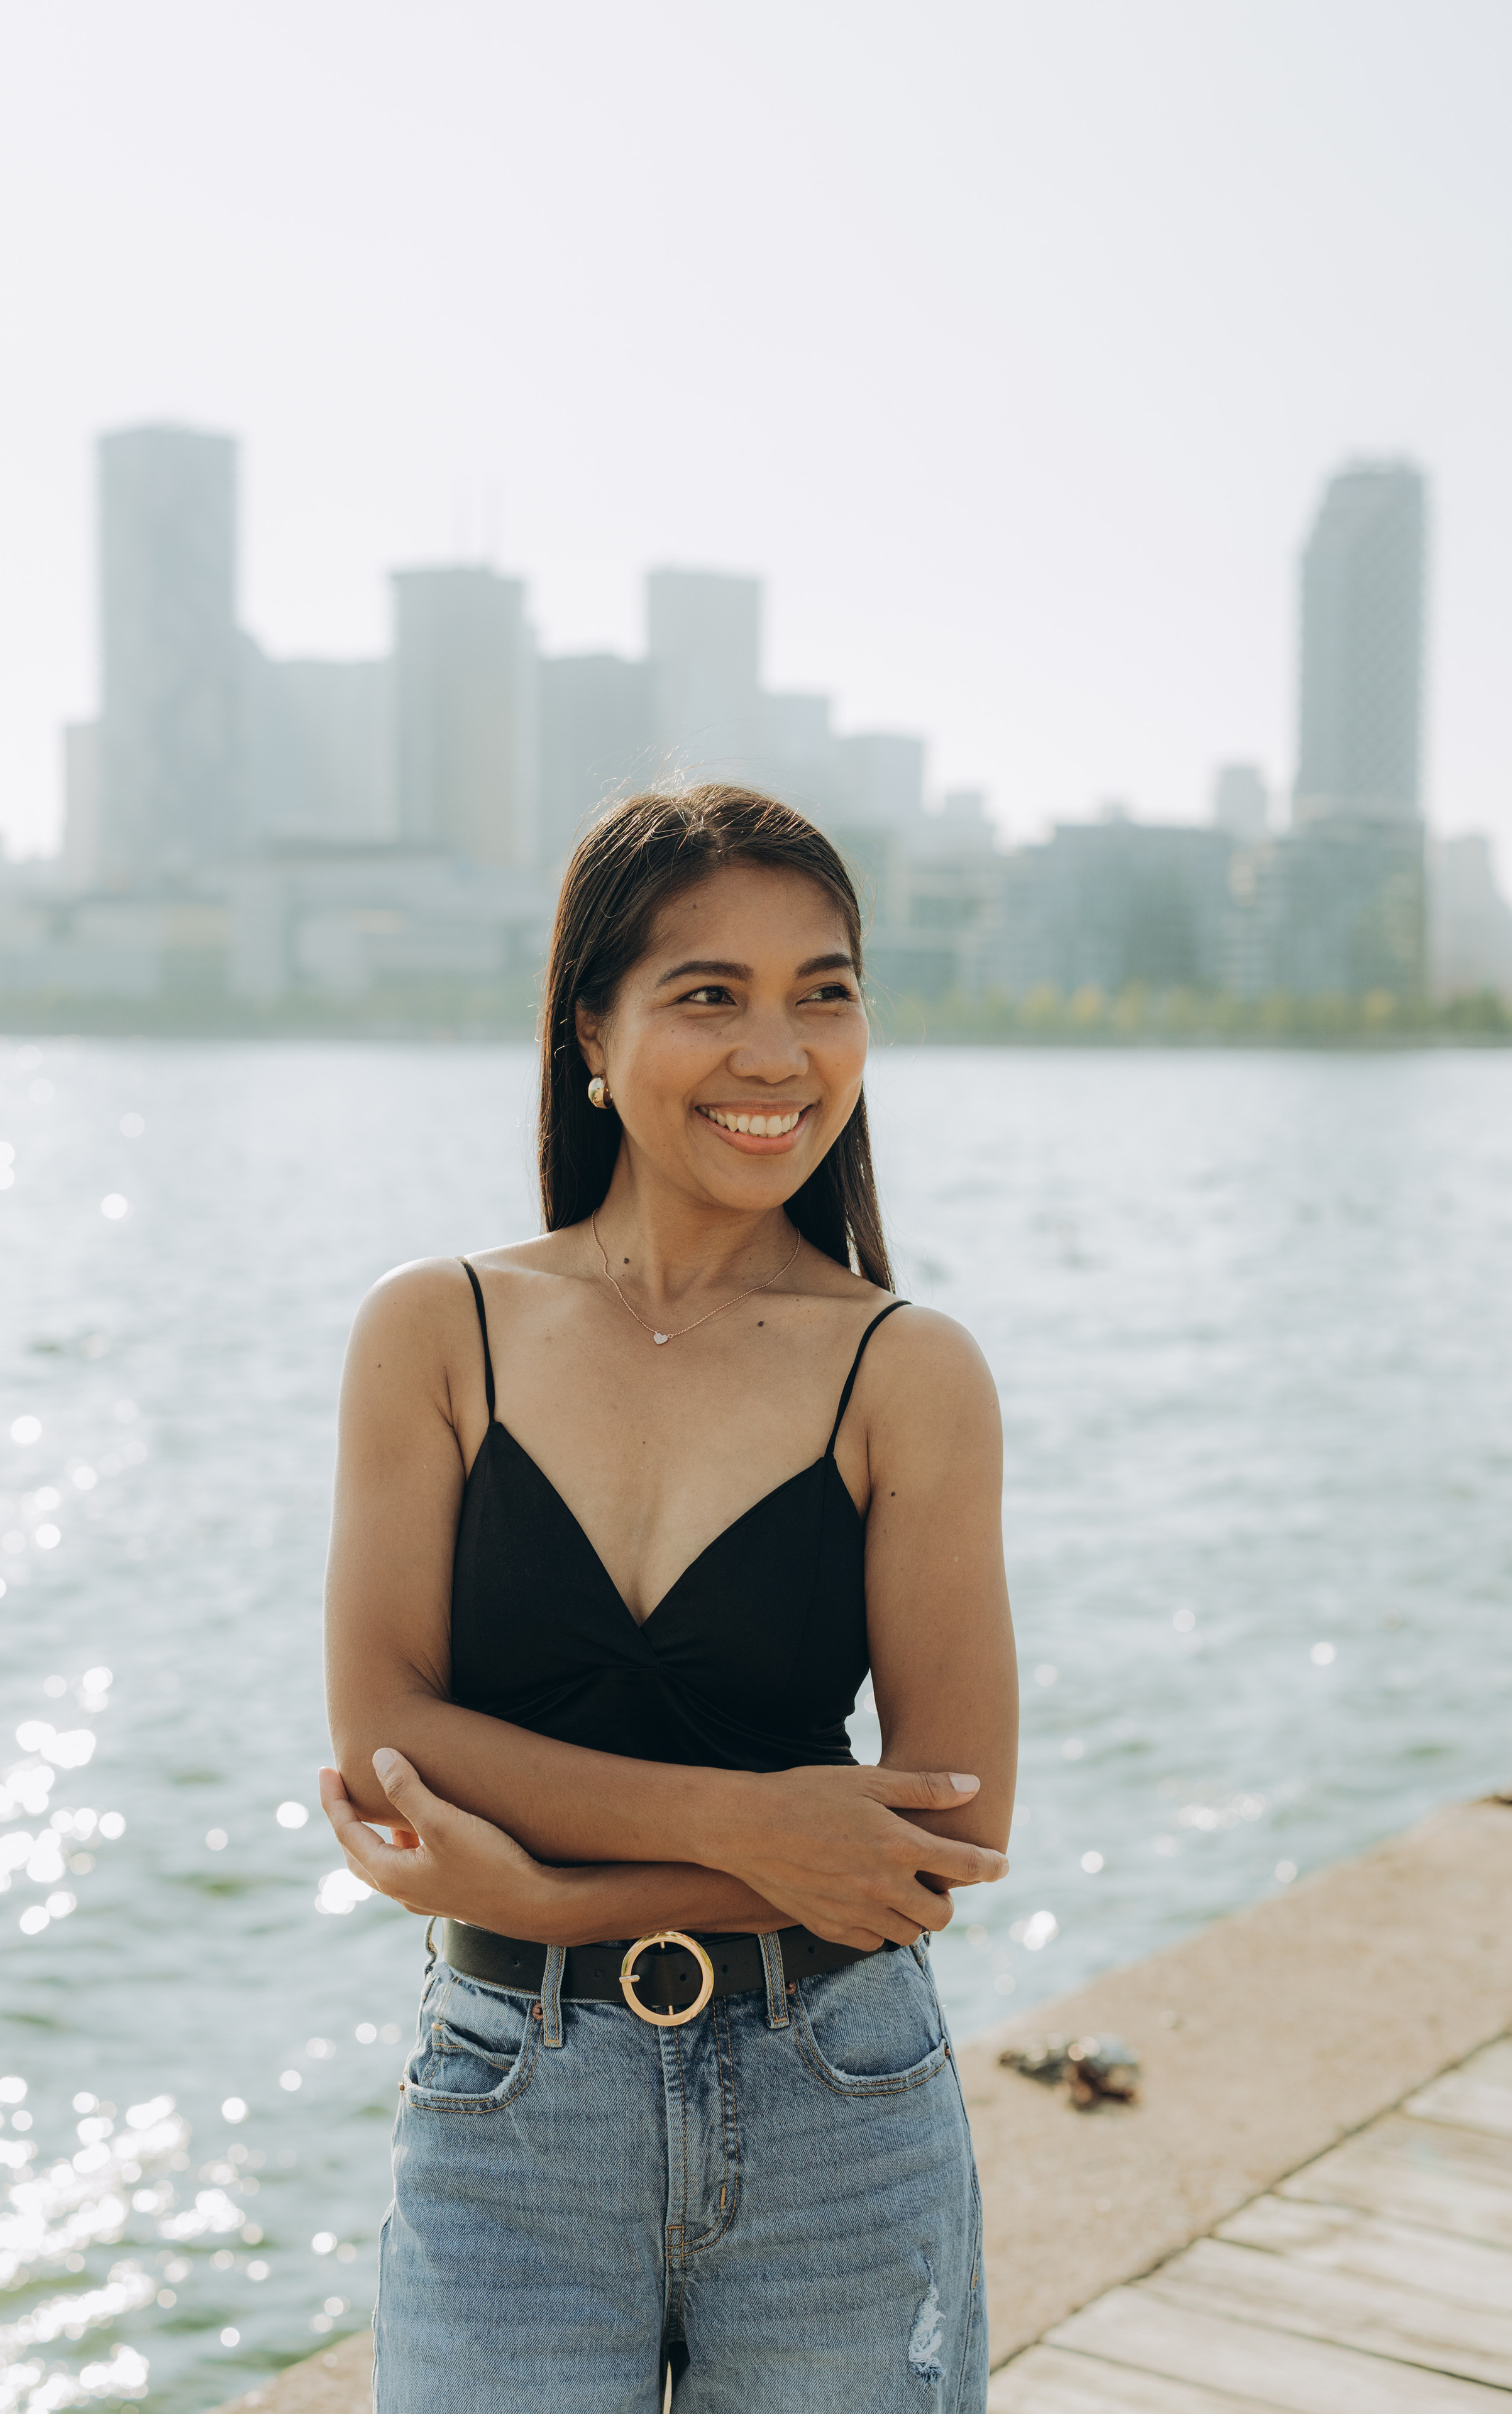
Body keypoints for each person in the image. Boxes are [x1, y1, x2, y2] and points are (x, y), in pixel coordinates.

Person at [319, 786, 1018, 2412]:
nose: (779, 1054)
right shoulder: (437, 1328)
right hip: (507, 2108)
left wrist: (564, 1902)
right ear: (591, 1028)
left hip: (841, 2098)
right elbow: (387, 1730)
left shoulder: (907, 1370)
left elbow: (947, 1839)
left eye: (823, 993)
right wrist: (755, 1828)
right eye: (712, 995)